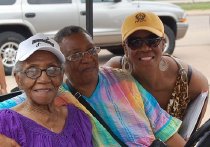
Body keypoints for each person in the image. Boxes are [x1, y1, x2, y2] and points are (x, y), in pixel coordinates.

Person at [0, 26, 186, 146]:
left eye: (90, 50)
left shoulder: (122, 81)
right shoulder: (54, 95)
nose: (87, 58)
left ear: (59, 71)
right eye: (76, 55)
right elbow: (21, 104)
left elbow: (164, 129)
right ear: (18, 78)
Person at [105, 11, 209, 120]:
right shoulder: (114, 71)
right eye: (135, 42)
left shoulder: (185, 77)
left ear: (163, 44)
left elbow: (204, 90)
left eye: (152, 40)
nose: (145, 48)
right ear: (125, 48)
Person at [0, 33, 93, 146]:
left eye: (52, 69)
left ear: (61, 75)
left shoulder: (78, 118)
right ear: (19, 79)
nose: (44, 79)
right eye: (32, 70)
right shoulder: (6, 124)